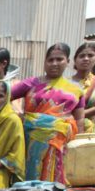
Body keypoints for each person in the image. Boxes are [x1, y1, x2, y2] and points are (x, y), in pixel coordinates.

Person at [11, 43, 85, 182]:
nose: (54, 63)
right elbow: (4, 96)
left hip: (61, 142)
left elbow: (80, 118)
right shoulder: (31, 83)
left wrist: (78, 143)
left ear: (68, 62)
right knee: (30, 177)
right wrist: (16, 116)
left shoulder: (75, 89)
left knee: (56, 178)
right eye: (50, 60)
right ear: (44, 62)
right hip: (31, 141)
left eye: (59, 59)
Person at [71, 41, 95, 132]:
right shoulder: (67, 82)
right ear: (75, 60)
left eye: (90, 55)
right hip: (69, 128)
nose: (86, 59)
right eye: (81, 56)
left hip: (92, 131)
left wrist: (78, 115)